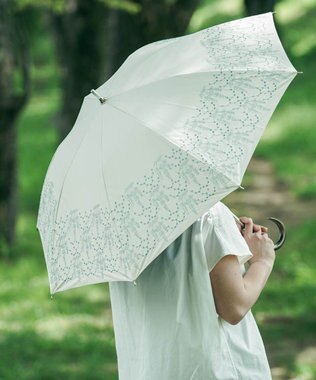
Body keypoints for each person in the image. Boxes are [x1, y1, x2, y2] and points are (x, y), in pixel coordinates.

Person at [109, 201, 275, 379]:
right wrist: (262, 261)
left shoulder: (117, 225)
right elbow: (234, 307)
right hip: (212, 369)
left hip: (152, 368)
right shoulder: (207, 213)